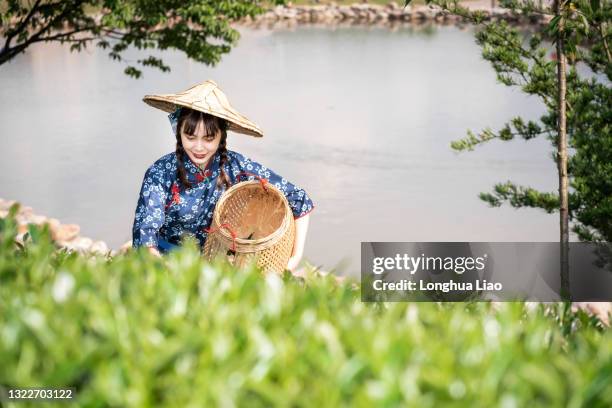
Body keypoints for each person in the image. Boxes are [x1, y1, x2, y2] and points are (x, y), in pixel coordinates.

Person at [132, 80, 314, 271]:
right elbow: (145, 236)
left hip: (215, 265)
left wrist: (295, 256)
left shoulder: (236, 166)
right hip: (165, 262)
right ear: (179, 133)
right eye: (190, 137)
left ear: (221, 137)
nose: (199, 147)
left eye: (209, 138)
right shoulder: (160, 172)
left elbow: (299, 199)